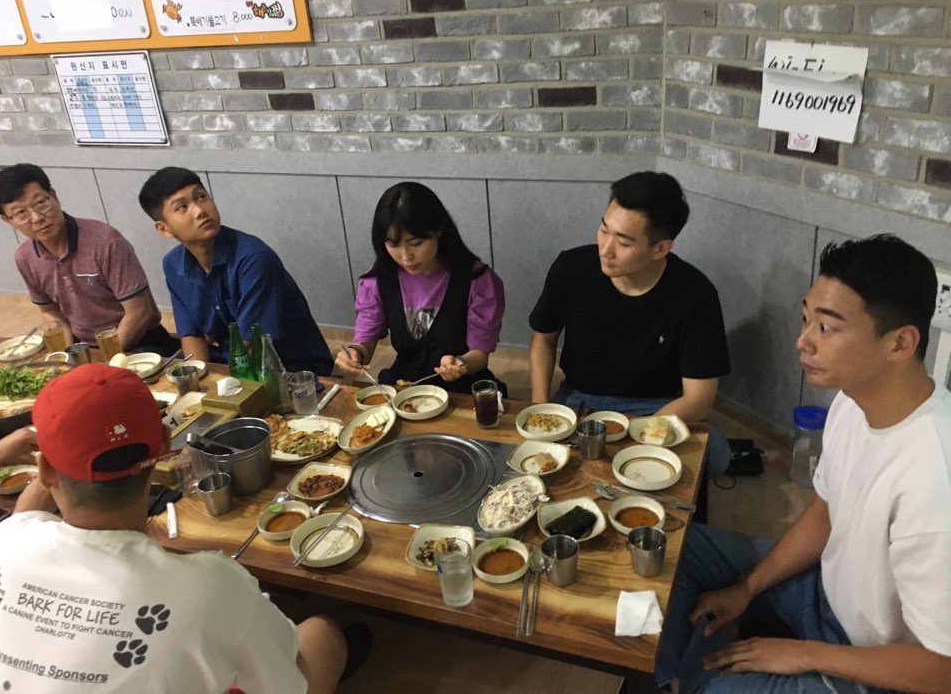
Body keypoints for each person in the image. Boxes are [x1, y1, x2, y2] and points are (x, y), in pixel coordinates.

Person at [656, 235, 951, 694]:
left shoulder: (933, 479)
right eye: (806, 319)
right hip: (822, 593)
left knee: (712, 683)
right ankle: (677, 674)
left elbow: (942, 668)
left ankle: (690, 674)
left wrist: (805, 654)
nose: (803, 341)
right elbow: (827, 511)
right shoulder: (853, 400)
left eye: (827, 327)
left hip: (877, 662)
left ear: (900, 343)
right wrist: (748, 587)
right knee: (676, 546)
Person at [0, 363, 348, 694]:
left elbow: (26, 517)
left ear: (44, 472)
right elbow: (289, 685)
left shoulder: (4, 540)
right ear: (165, 445)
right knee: (322, 633)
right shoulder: (212, 584)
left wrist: (60, 459)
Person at [529, 171, 731, 475]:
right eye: (604, 229)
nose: (605, 249)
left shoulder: (695, 294)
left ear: (660, 249)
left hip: (658, 404)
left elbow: (699, 399)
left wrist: (643, 435)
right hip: (582, 398)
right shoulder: (571, 268)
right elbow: (543, 339)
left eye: (623, 242)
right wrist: (540, 406)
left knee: (717, 456)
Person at [138, 167, 333, 375]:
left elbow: (252, 346)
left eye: (201, 196)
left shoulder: (254, 258)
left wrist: (224, 388)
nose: (199, 210)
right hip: (231, 363)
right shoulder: (173, 265)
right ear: (164, 229)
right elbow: (191, 335)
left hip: (291, 367)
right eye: (182, 207)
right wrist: (199, 381)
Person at [333, 182, 506, 395]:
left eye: (415, 243)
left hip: (461, 388)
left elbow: (479, 356)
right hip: (405, 386)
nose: (406, 257)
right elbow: (365, 345)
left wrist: (460, 363)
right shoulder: (378, 280)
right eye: (393, 245)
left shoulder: (476, 280)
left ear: (438, 230)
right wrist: (355, 353)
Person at [0, 163, 174, 355]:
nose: (37, 218)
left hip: (139, 341)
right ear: (8, 221)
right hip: (84, 345)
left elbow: (139, 312)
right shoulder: (25, 257)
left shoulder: (105, 242)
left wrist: (105, 359)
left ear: (54, 197)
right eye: (21, 213)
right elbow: (50, 312)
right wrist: (66, 356)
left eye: (41, 203)